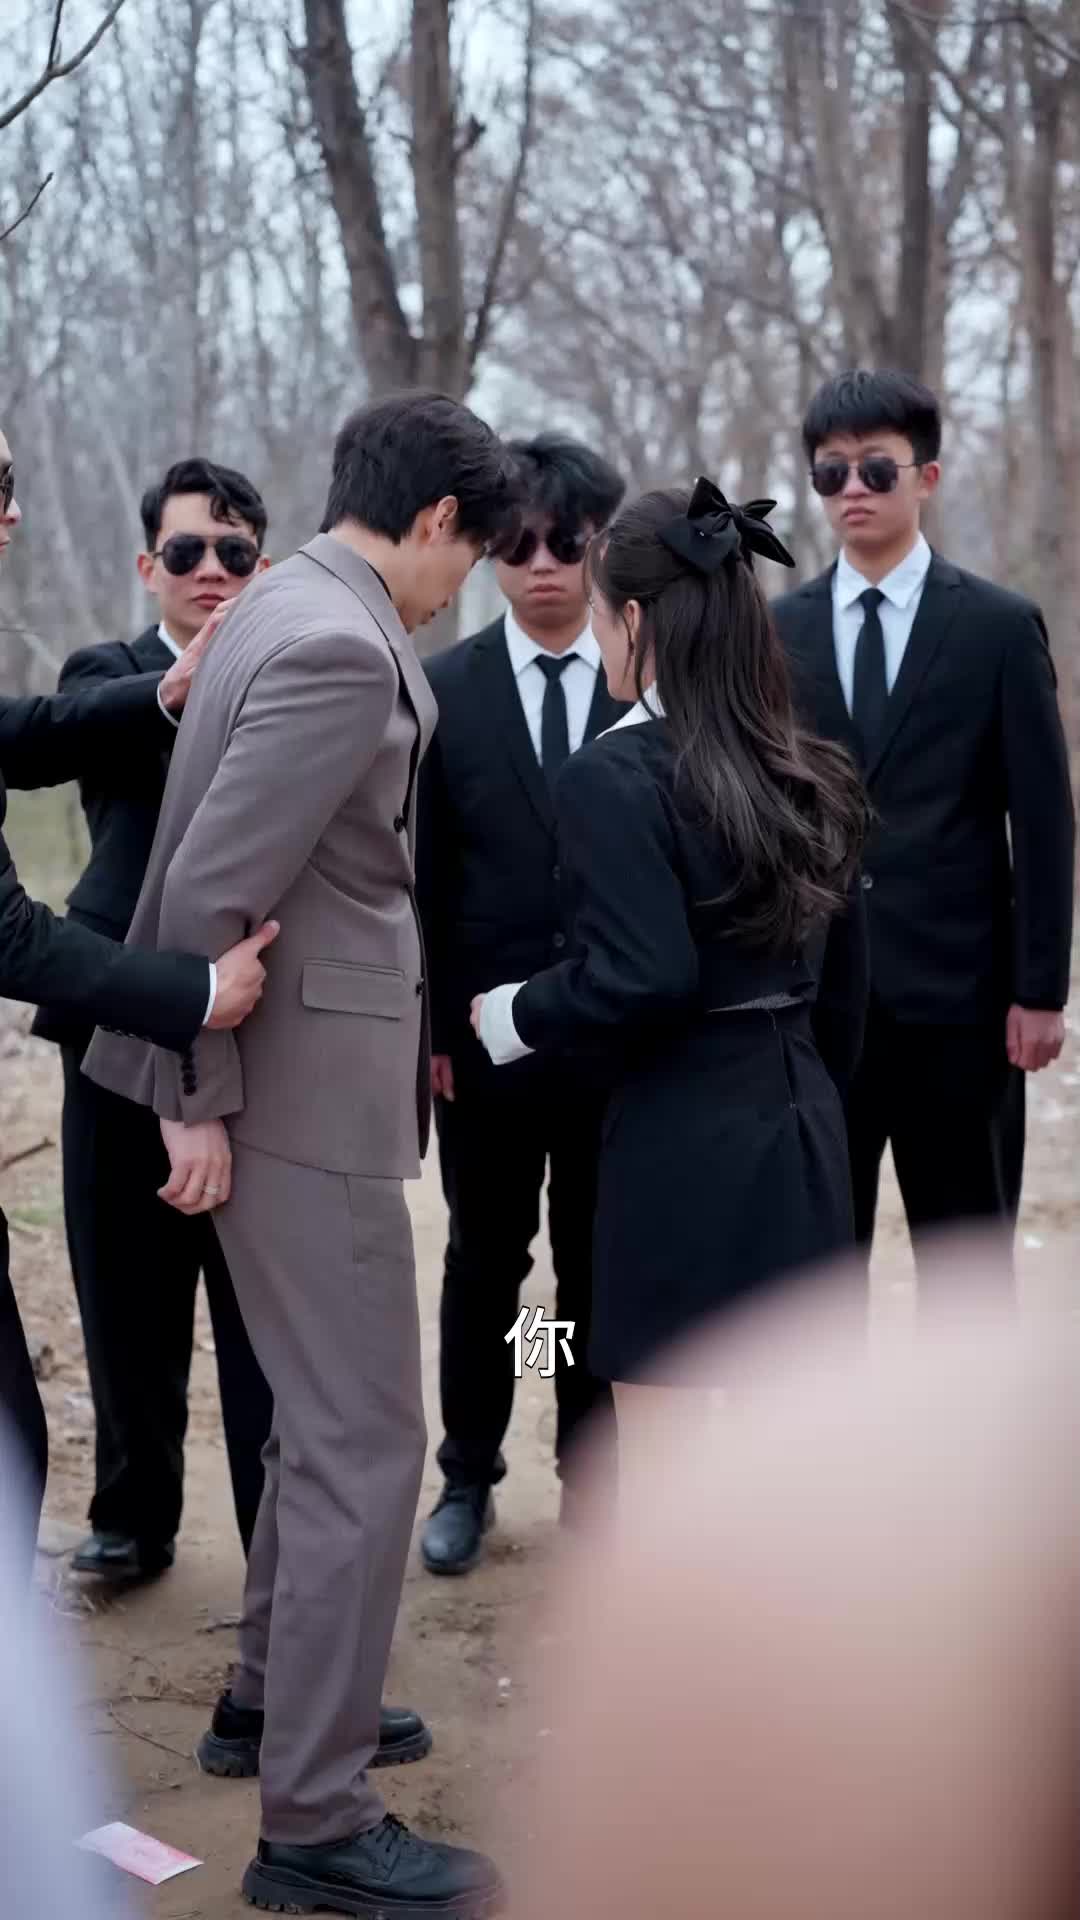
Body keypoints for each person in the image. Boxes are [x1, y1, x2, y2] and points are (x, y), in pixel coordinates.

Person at [81, 392, 518, 1918]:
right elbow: (212, 887)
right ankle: (318, 1821)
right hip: (297, 1100)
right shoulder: (335, 641)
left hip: (287, 1088)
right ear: (437, 520)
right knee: (364, 1442)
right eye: (469, 556)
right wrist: (191, 1093)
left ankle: (273, 1696)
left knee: (313, 1434)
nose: (458, 589)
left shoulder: (281, 605)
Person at [473, 477, 869, 1466]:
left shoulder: (613, 774)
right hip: (799, 1121)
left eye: (602, 611)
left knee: (669, 1462)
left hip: (677, 1135)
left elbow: (643, 975)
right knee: (794, 1452)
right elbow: (846, 985)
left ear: (637, 619)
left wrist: (517, 1011)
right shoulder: (806, 763)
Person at [0, 427, 276, 1583]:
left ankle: (278, 1536)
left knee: (259, 1301)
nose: (211, 568)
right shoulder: (103, 675)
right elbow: (67, 734)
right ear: (146, 563)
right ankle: (132, 1515)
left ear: (263, 566)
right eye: (187, 549)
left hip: (255, 1014)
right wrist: (171, 691)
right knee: (123, 1290)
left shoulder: (295, 679)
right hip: (112, 1011)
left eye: (235, 551)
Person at [774, 369, 1075, 1276]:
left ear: (927, 477)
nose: (853, 491)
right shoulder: (778, 633)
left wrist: (1041, 990)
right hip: (818, 1007)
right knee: (815, 1280)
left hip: (964, 1009)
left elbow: (1044, 820)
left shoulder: (998, 628)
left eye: (876, 469)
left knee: (967, 1275)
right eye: (831, 473)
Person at [416, 432, 626, 1575]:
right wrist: (436, 1027)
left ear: (598, 545)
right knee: (493, 1263)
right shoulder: (443, 691)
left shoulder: (646, 685)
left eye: (565, 542)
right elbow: (422, 878)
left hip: (611, 1039)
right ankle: (469, 1471)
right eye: (517, 543)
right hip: (482, 1048)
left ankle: (586, 1471)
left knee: (592, 1266)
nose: (541, 563)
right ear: (489, 552)